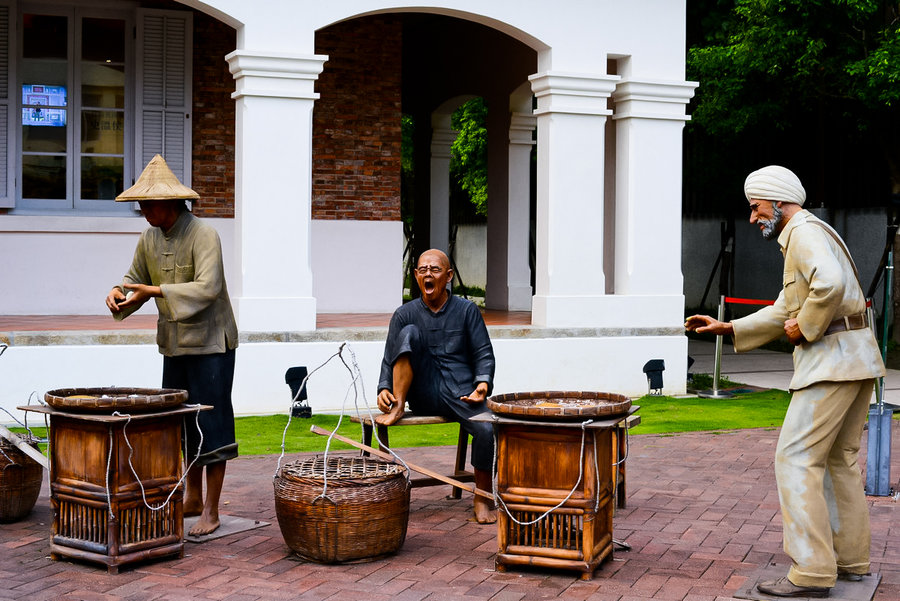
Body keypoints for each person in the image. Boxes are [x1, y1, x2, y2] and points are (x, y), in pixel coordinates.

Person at [685, 165, 885, 598]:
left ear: (777, 201)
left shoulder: (801, 233)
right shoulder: (813, 231)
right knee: (838, 461)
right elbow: (785, 307)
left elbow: (824, 289)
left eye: (755, 207)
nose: (754, 217)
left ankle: (812, 572)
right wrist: (729, 328)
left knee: (794, 459)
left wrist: (805, 327)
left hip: (831, 363)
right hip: (856, 359)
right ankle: (850, 561)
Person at [105, 154, 239, 537]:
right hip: (175, 344)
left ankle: (212, 510)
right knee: (181, 423)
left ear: (172, 203)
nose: (143, 210)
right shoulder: (148, 237)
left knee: (212, 423)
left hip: (212, 344)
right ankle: (192, 498)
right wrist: (120, 292)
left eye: (148, 203)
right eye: (140, 205)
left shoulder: (204, 235)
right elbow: (133, 278)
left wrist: (155, 290)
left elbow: (208, 288)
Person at [377, 249, 497, 523]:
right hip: (423, 392)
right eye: (422, 269)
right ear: (416, 276)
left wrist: (482, 384)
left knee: (488, 429)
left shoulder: (466, 311)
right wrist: (384, 388)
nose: (427, 274)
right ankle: (397, 406)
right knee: (408, 334)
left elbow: (483, 353)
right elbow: (389, 358)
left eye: (434, 269)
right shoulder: (404, 314)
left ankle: (482, 498)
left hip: (462, 392)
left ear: (449, 275)